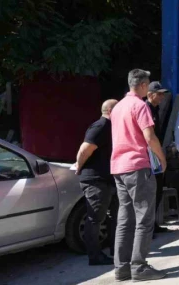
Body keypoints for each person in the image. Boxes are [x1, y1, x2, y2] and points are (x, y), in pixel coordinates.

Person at [110, 69, 167, 281]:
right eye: (148, 83)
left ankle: (121, 267)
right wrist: (162, 158)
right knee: (144, 218)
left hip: (119, 167)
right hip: (137, 166)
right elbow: (149, 137)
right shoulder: (140, 105)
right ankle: (139, 267)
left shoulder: (118, 107)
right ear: (142, 85)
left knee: (125, 219)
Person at [75, 99, 119, 266]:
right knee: (95, 218)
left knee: (115, 215)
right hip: (95, 179)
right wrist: (79, 166)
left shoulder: (112, 126)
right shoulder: (100, 126)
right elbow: (85, 149)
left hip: (108, 178)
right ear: (111, 111)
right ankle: (95, 256)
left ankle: (117, 250)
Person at [145, 81, 171, 235]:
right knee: (152, 191)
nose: (162, 97)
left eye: (163, 94)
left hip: (155, 154)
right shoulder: (146, 109)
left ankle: (153, 224)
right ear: (150, 94)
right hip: (150, 155)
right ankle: (148, 227)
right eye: (159, 94)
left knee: (158, 189)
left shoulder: (155, 109)